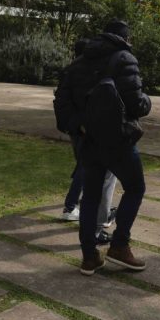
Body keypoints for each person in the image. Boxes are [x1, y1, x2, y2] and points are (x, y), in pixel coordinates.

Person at [70, 20, 151, 274]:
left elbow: (62, 101)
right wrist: (147, 101)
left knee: (91, 196)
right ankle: (119, 245)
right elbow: (137, 104)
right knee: (136, 187)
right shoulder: (125, 59)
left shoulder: (81, 61)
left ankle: (89, 256)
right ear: (125, 38)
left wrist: (78, 127)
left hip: (90, 141)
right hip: (118, 141)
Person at [60, 41, 118, 240]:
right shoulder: (91, 71)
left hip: (76, 127)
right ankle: (76, 210)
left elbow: (62, 100)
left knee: (83, 165)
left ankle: (76, 206)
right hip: (85, 128)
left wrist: (70, 123)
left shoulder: (71, 70)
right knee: (92, 171)